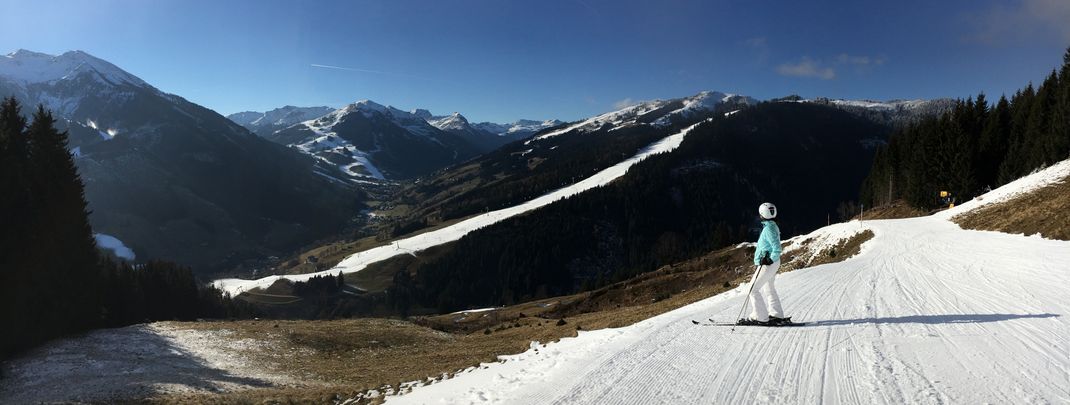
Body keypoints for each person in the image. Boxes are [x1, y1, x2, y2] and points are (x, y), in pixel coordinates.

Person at [737, 202, 790, 326]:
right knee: (768, 287)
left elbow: (777, 248)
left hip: (768, 263)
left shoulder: (769, 228)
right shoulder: (772, 226)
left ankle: (760, 317)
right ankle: (776, 314)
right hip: (772, 262)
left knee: (752, 289)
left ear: (762, 214)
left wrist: (770, 259)